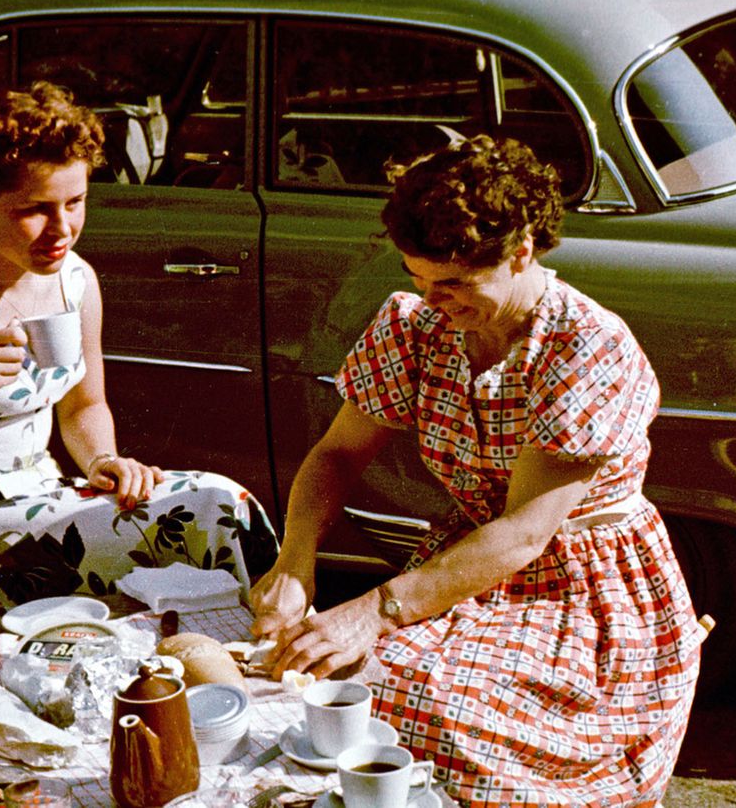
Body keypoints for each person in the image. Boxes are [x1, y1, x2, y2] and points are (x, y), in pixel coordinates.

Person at [250, 135, 704, 806]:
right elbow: (338, 453)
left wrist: (375, 610)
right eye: (417, 277)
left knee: (431, 702)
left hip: (584, 587)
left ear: (522, 252)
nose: (432, 298)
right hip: (468, 563)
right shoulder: (414, 326)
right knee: (353, 685)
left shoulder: (585, 347)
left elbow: (524, 535)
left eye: (455, 282)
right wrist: (295, 560)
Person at [0, 81, 274, 630]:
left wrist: (102, 461)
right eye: (36, 210)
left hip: (42, 503)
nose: (63, 229)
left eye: (75, 202)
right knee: (210, 509)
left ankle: (246, 656)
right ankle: (264, 653)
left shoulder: (75, 279)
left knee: (221, 507)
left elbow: (83, 406)